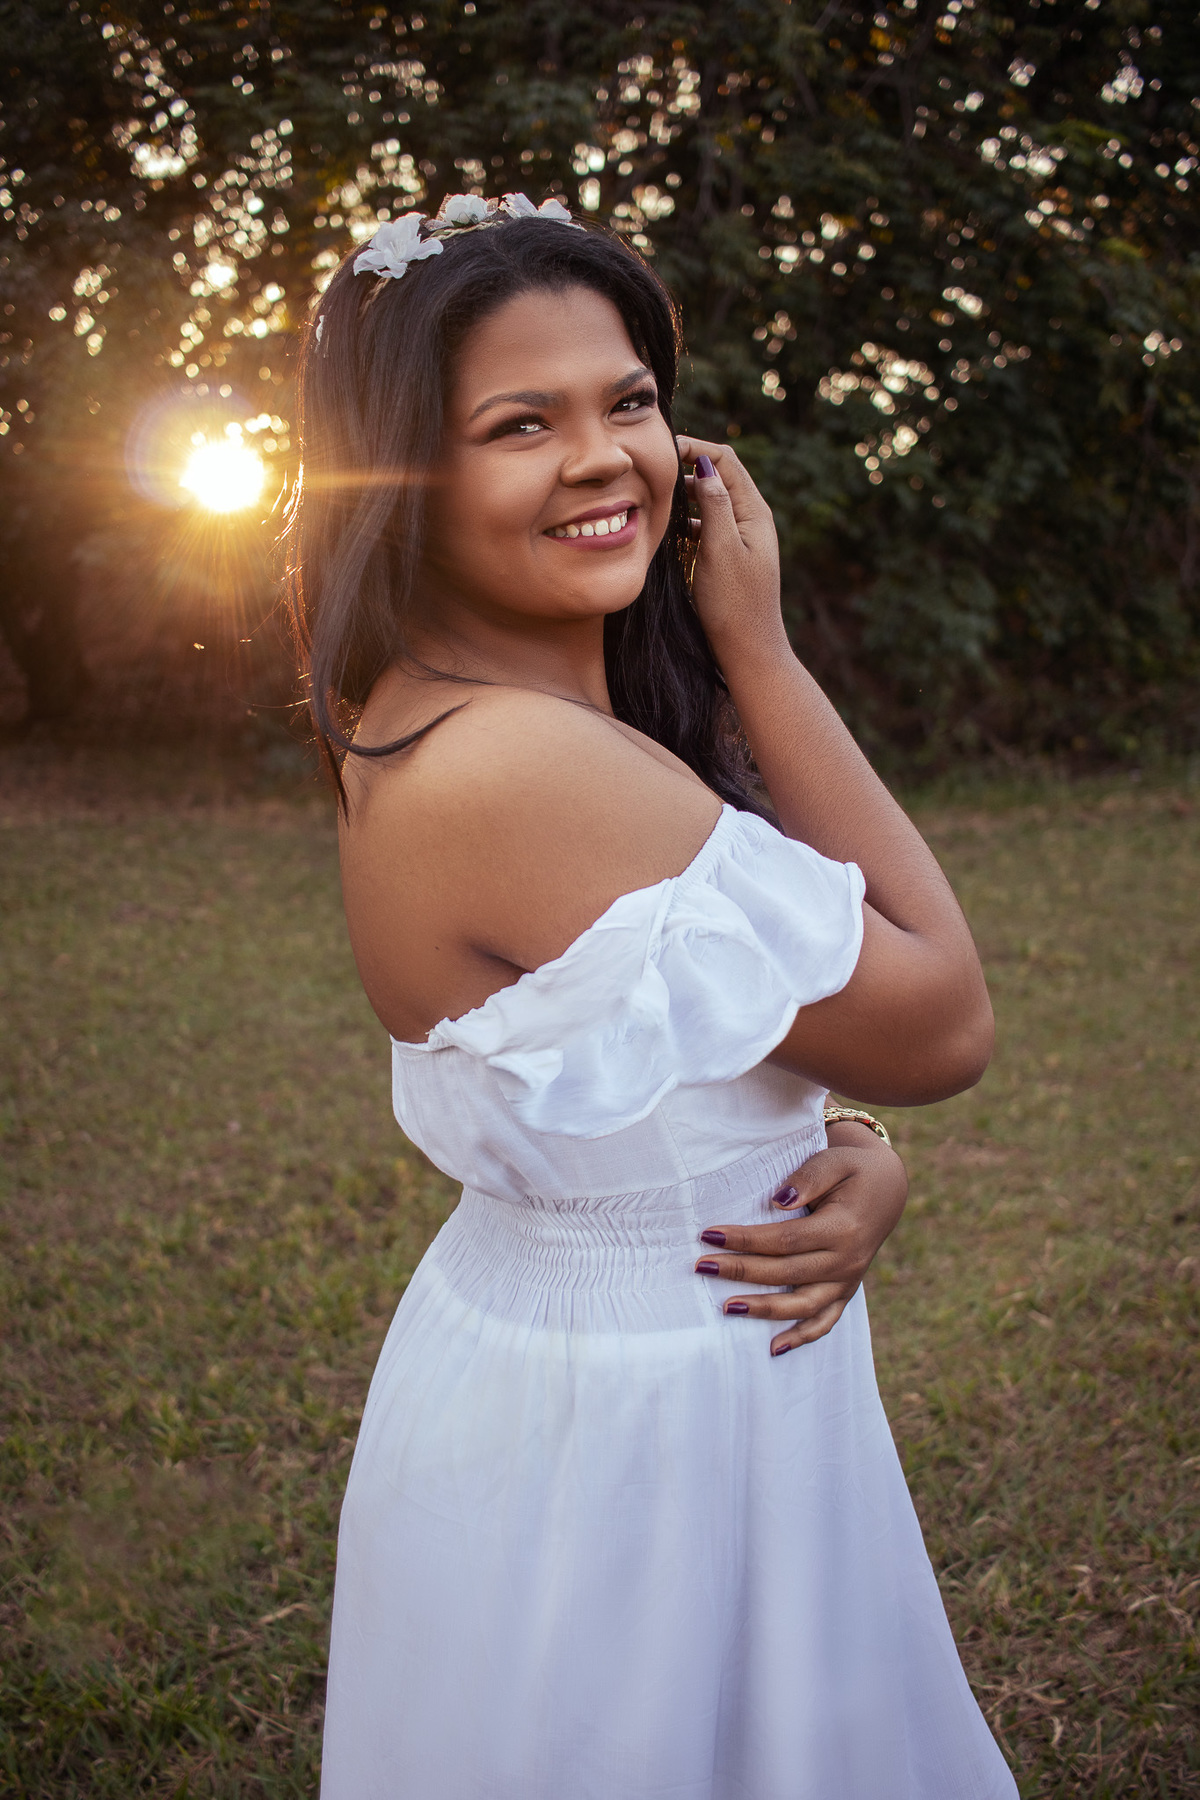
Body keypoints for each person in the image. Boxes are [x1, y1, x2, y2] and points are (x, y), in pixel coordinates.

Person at [288, 193, 1018, 1800]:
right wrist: (761, 645)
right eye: (519, 424)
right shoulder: (521, 765)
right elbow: (944, 1015)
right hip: (632, 1428)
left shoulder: (464, 712)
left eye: (626, 401)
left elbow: (668, 1055)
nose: (601, 457)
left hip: (639, 1354)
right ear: (403, 478)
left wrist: (845, 1139)